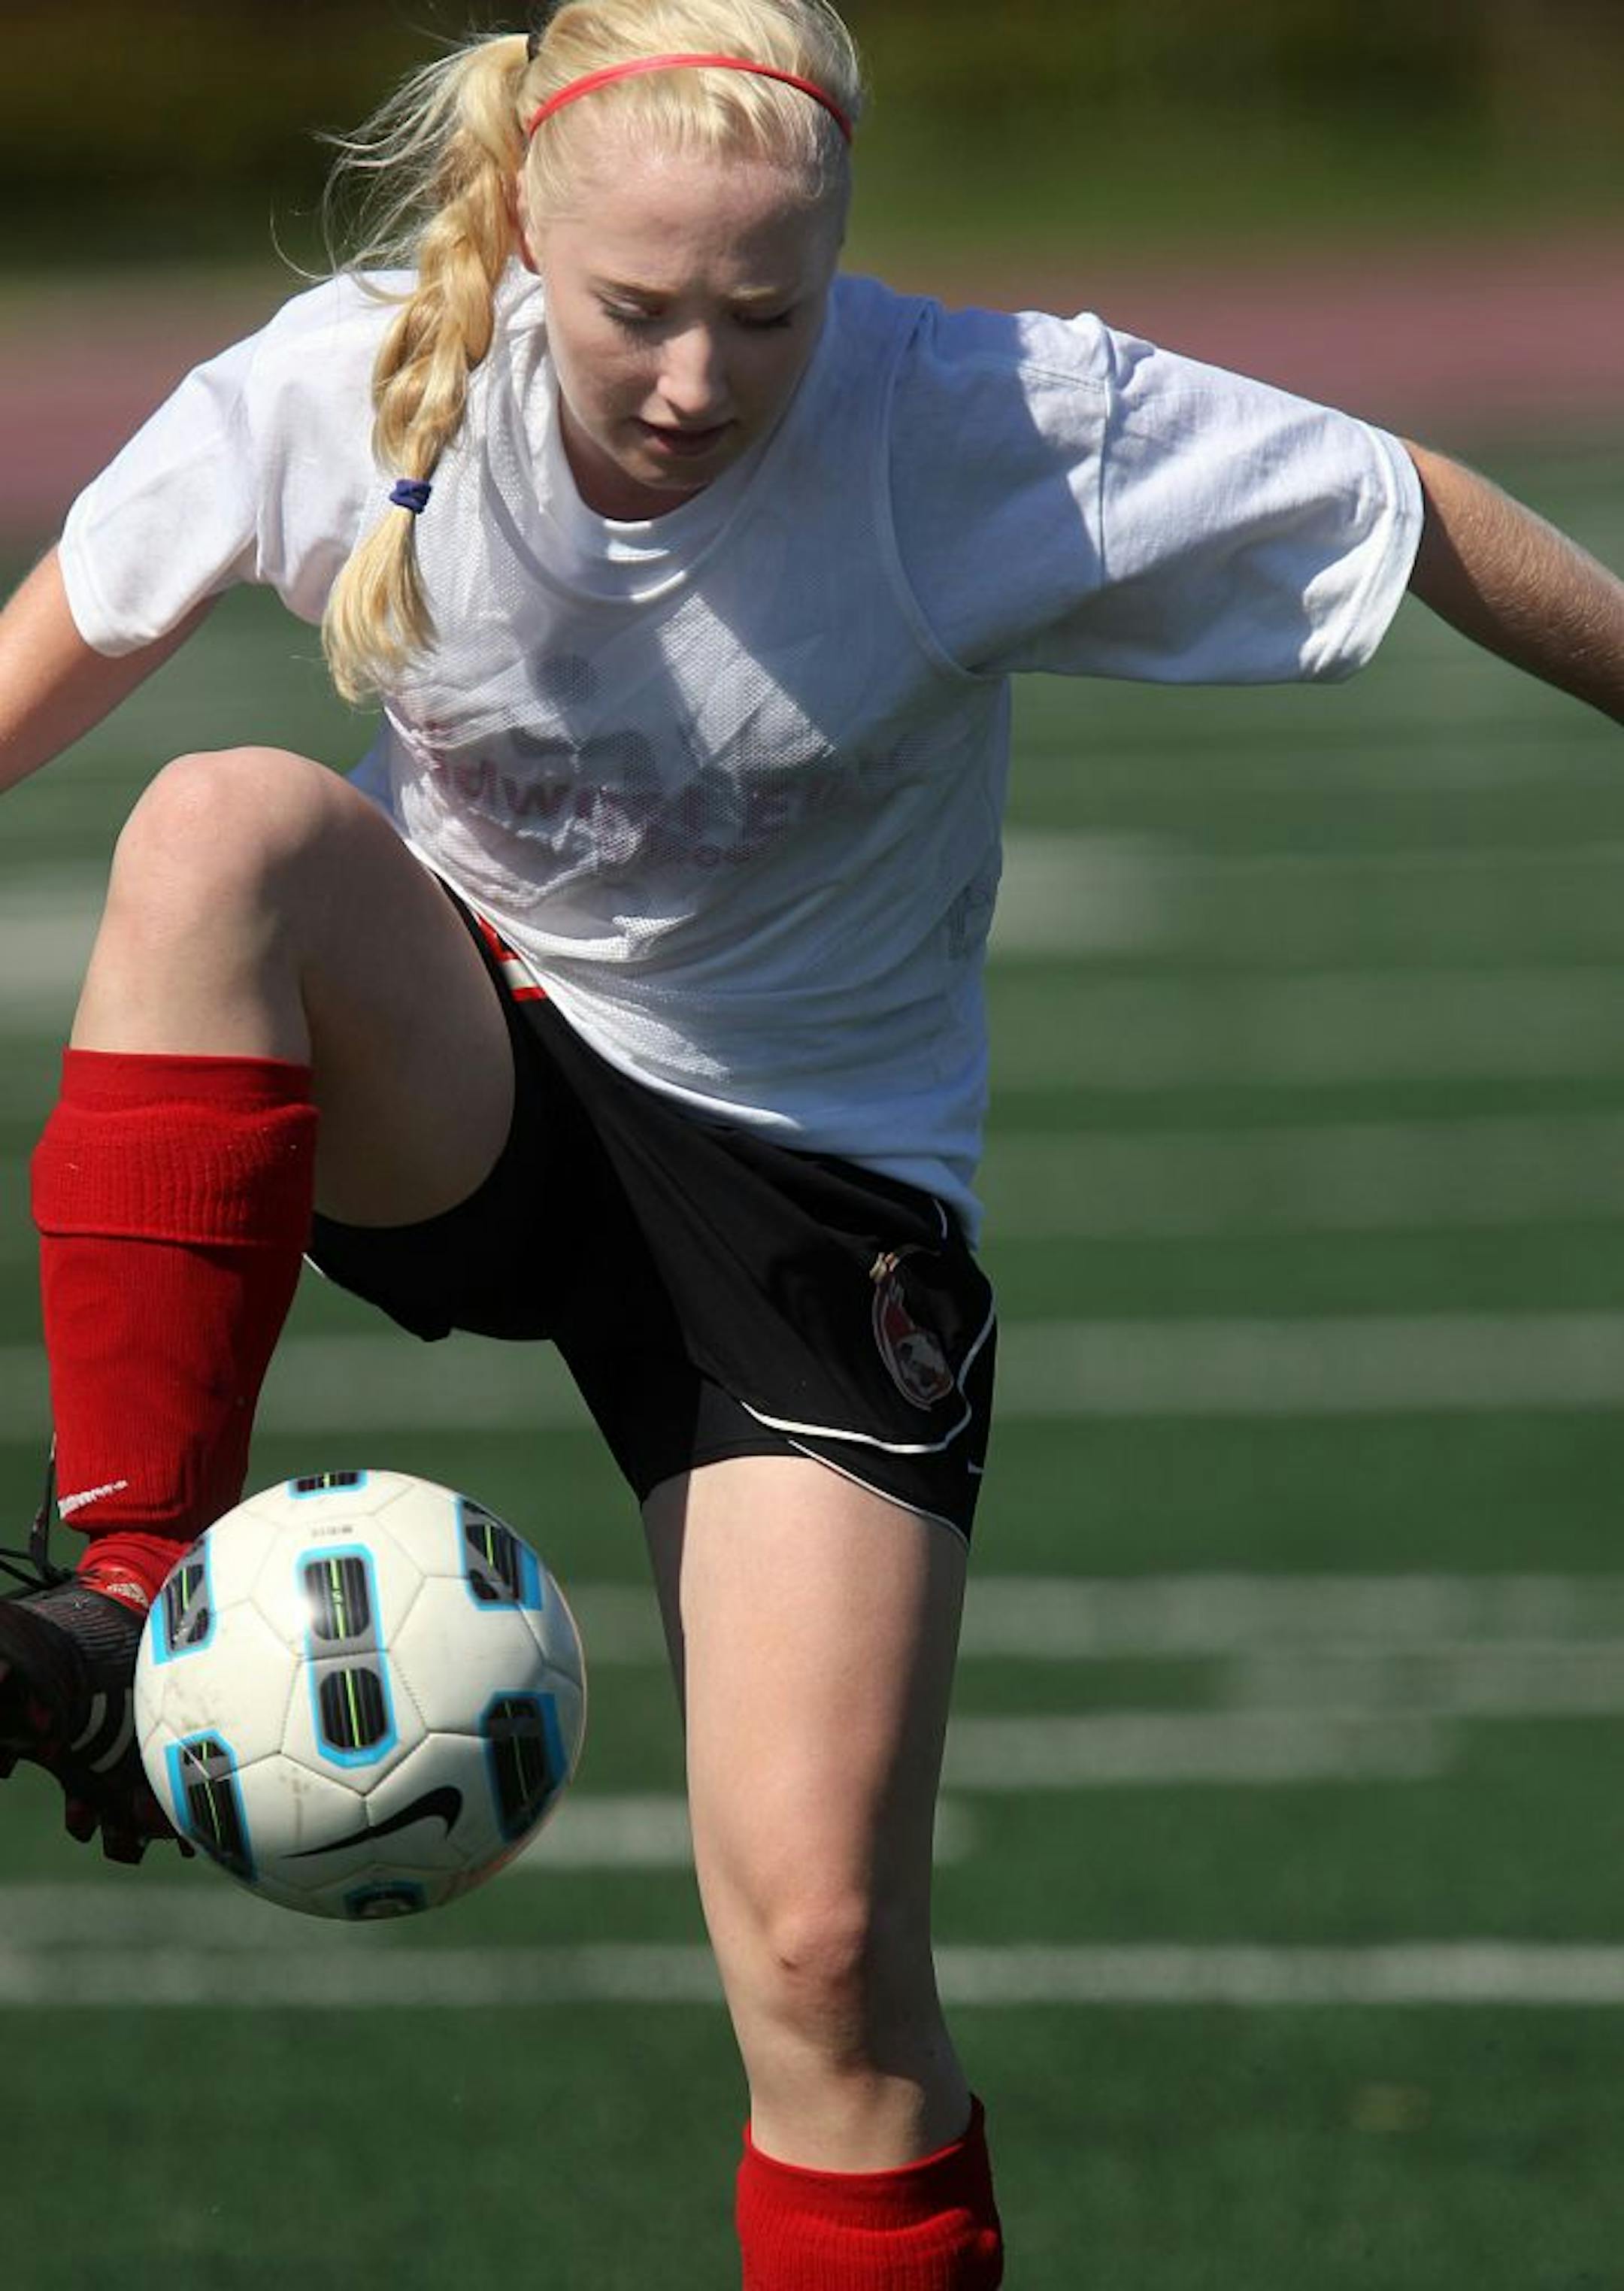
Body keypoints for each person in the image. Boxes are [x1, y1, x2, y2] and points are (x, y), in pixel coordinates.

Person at [1, 2, 1622, 2283]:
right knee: (213, 833)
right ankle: (125, 1579)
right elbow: (50, 658)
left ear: (841, 251)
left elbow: (1405, 509)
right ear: (525, 234)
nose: (694, 376)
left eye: (762, 312)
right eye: (638, 310)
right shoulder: (362, 381)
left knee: (831, 1951)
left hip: (807, 1192)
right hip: (470, 1061)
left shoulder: (984, 420)